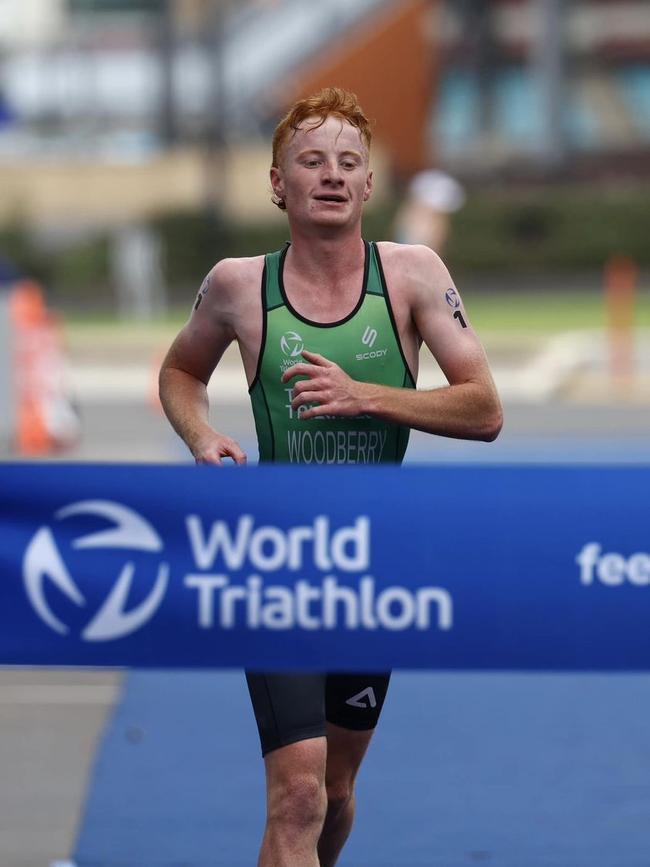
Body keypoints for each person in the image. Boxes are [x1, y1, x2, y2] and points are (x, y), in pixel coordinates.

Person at [159, 87, 502, 867]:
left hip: (370, 565)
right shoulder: (238, 285)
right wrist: (202, 433)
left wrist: (364, 396)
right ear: (278, 182)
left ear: (370, 185)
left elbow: (485, 409)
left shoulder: (412, 275)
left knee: (337, 792)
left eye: (349, 162)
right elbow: (181, 370)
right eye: (311, 161)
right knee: (299, 794)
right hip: (277, 559)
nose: (332, 175)